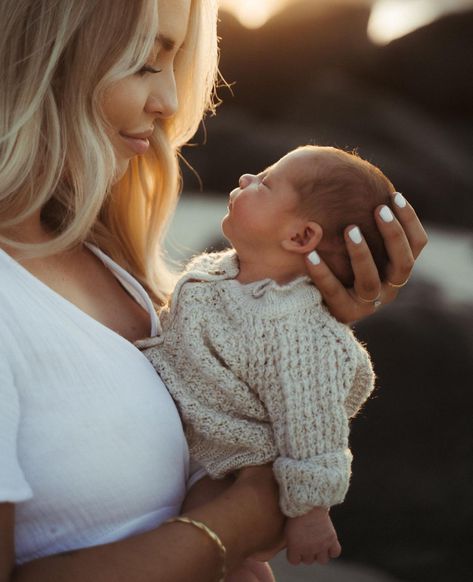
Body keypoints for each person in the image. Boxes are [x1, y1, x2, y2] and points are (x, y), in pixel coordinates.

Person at [0, 0, 428, 580]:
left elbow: (235, 385)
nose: (171, 104)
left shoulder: (99, 249)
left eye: (172, 67)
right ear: (42, 60)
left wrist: (311, 308)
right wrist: (235, 525)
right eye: (146, 64)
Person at [141, 145, 399, 568]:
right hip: (196, 430)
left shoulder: (297, 331)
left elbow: (314, 423)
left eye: (265, 182)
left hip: (237, 453)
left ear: (300, 236)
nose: (245, 179)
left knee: (201, 530)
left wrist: (311, 512)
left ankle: (239, 562)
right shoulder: (225, 268)